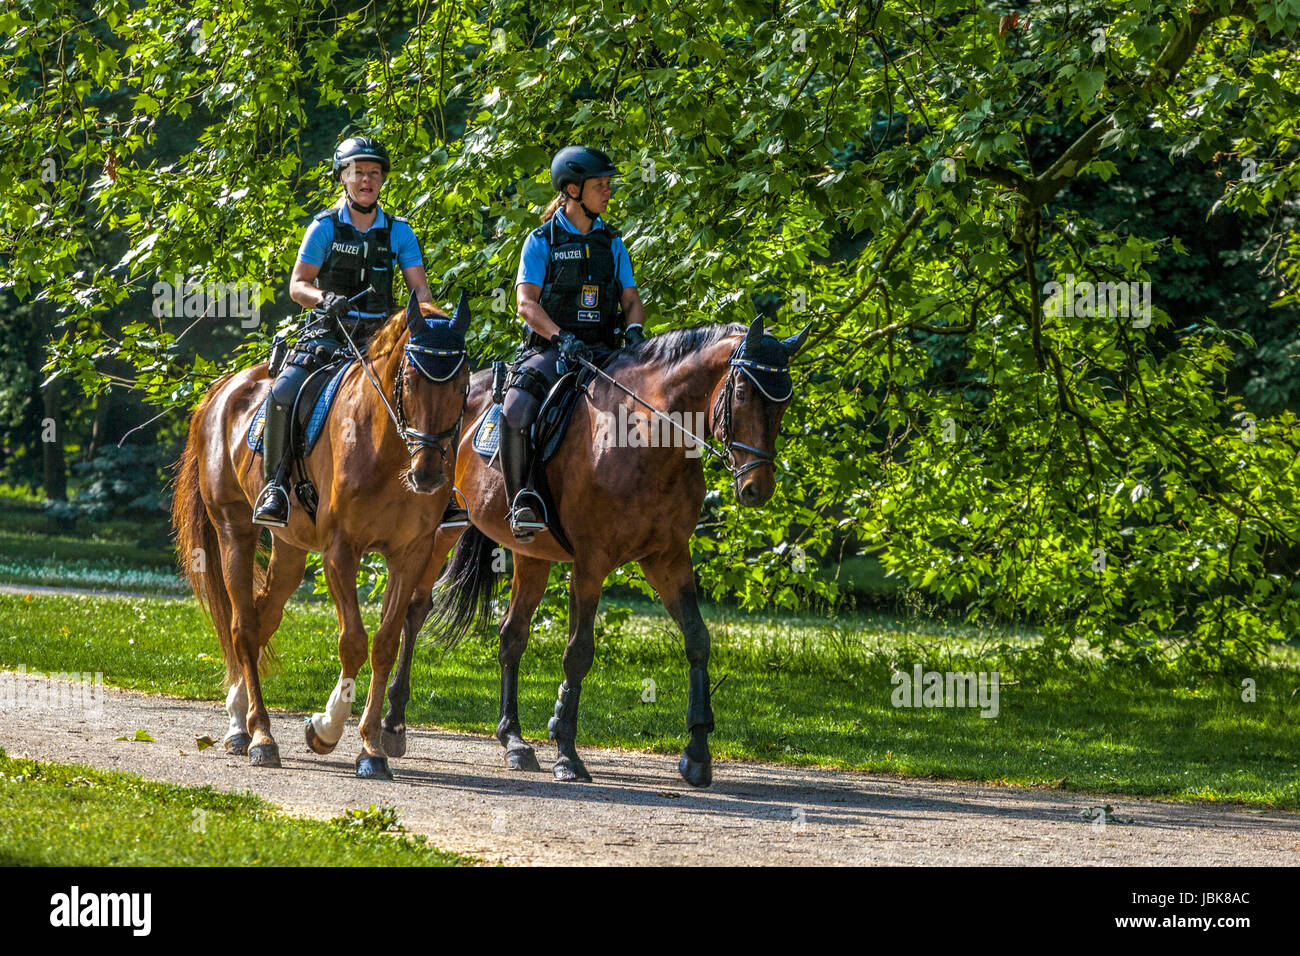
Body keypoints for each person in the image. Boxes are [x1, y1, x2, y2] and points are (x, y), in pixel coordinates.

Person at [253, 135, 467, 529]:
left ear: (382, 180)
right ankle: (275, 487)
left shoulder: (399, 232)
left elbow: (420, 291)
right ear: (343, 179)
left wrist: (432, 325)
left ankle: (445, 492)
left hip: (382, 338)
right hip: (329, 335)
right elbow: (297, 285)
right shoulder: (324, 227)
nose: (366, 180)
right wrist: (323, 299)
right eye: (358, 173)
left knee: (436, 388)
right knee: (283, 393)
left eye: (374, 173)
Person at [503, 146, 646, 542]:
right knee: (516, 406)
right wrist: (561, 337)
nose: (608, 191)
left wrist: (634, 331)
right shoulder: (540, 241)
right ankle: (522, 502)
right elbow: (525, 304)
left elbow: (631, 300)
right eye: (601, 185)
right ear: (572, 189)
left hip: (605, 350)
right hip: (551, 349)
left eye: (608, 184)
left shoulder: (613, 242)